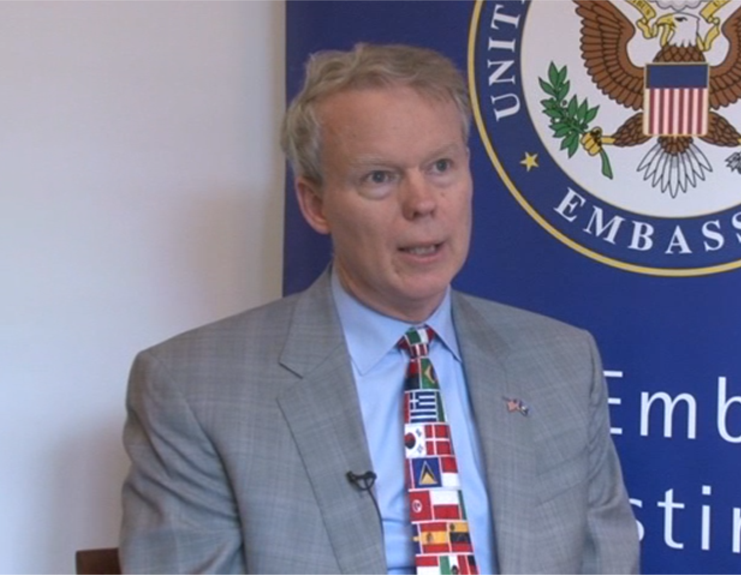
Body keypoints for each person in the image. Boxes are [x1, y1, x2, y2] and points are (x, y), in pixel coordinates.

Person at [120, 43, 639, 574]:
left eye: (441, 166)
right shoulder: (194, 388)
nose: (422, 203)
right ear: (315, 203)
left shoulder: (562, 362)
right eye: (379, 177)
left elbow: (607, 562)